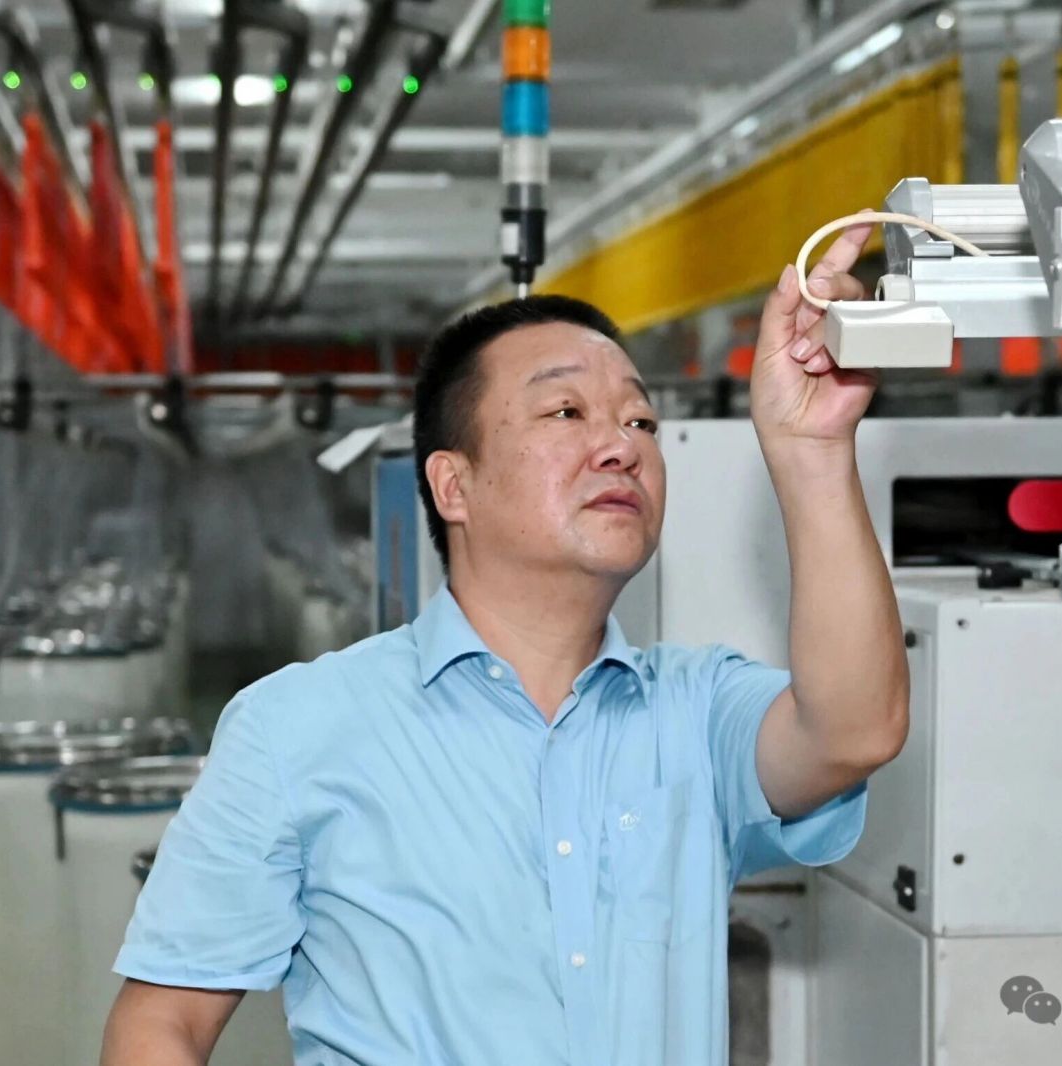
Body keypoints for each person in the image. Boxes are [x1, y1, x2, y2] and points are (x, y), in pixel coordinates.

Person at [102, 222, 909, 1066]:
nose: (622, 446)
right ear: (454, 485)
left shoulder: (696, 713)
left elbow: (854, 731)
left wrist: (813, 451)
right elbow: (162, 1023)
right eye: (567, 412)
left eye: (641, 420)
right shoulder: (296, 729)